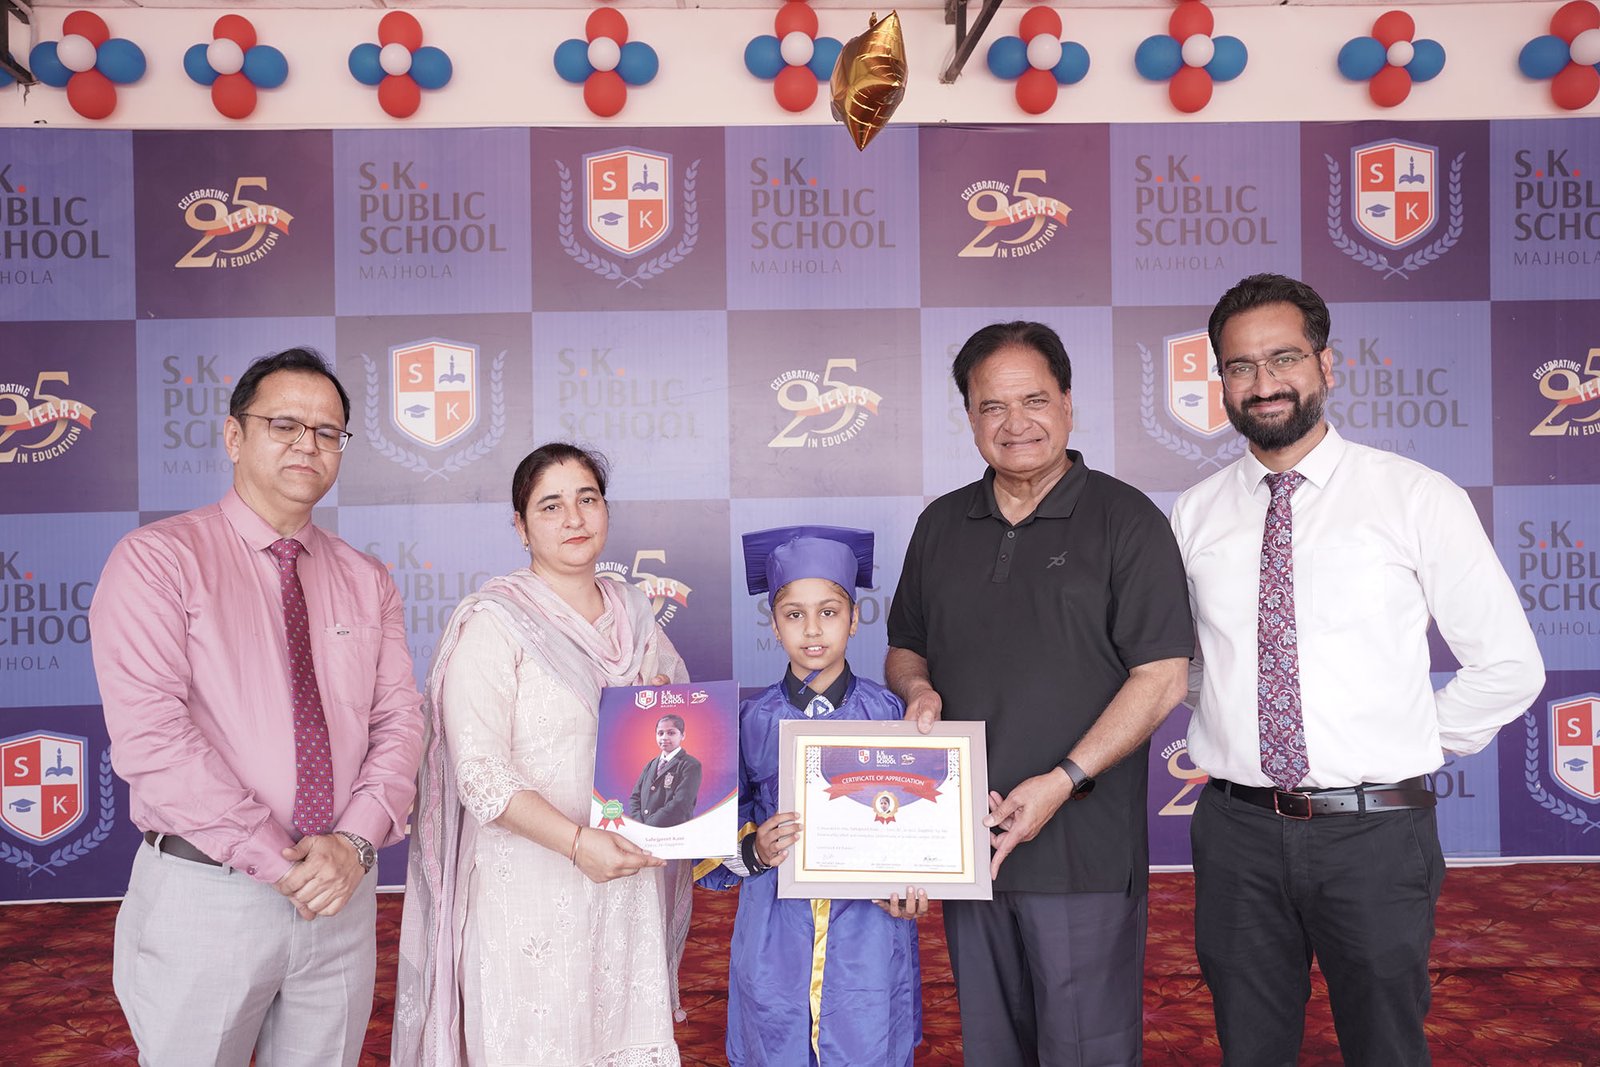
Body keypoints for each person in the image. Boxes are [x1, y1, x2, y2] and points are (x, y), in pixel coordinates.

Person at [1170, 273, 1546, 1066]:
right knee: (1249, 1048)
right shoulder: (1195, 511)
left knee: (1385, 1048)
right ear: (1221, 381)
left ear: (1326, 364)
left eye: (1284, 358)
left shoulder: (1415, 496)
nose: (1264, 383)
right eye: (1240, 366)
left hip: (1374, 834)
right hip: (1237, 834)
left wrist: (1402, 745)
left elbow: (1509, 665)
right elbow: (1194, 665)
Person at [89, 347, 425, 1065]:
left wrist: (354, 845)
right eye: (284, 425)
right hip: (210, 892)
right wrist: (281, 861)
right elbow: (153, 738)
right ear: (234, 436)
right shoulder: (158, 559)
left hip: (339, 896)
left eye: (327, 431)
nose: (308, 444)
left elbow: (399, 724)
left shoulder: (367, 578)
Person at [886, 322, 1193, 1065]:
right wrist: (917, 687)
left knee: (1086, 1050)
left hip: (1082, 854)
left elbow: (1162, 678)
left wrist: (1063, 780)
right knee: (992, 1049)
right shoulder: (940, 522)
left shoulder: (1127, 520)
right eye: (992, 406)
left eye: (1034, 400)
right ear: (969, 417)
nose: (1014, 423)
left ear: (1068, 404)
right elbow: (905, 647)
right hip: (968, 846)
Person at [391, 442, 690, 1067]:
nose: (574, 518)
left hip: (623, 881)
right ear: (521, 526)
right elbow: (480, 776)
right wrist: (578, 844)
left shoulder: (635, 615)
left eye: (587, 499)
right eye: (550, 506)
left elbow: (680, 726)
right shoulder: (493, 622)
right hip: (529, 888)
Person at [699, 524, 927, 1067]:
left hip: (869, 930)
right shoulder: (748, 721)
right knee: (776, 1040)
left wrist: (919, 883)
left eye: (829, 611)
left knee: (866, 1044)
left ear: (855, 617)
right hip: (775, 929)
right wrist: (755, 850)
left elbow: (920, 830)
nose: (812, 629)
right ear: (773, 623)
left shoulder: (893, 716)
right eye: (793, 614)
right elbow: (710, 842)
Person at [629, 713, 703, 827]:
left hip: (673, 832)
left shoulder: (690, 765)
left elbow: (681, 803)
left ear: (682, 735)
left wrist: (650, 825)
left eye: (671, 733)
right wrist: (639, 825)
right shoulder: (650, 765)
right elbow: (635, 797)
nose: (664, 737)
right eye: (660, 733)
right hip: (643, 831)